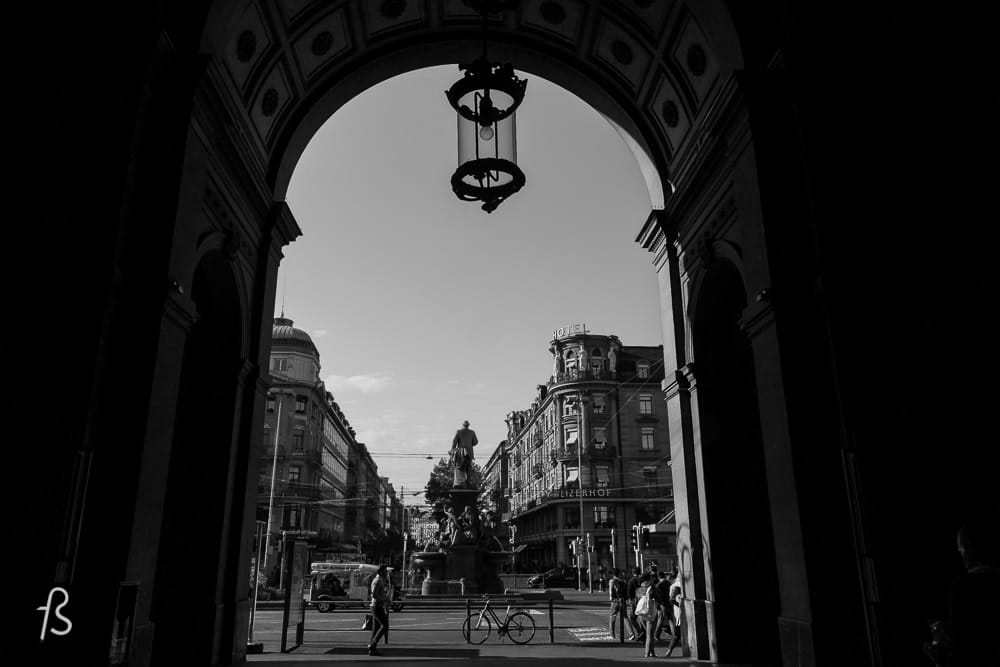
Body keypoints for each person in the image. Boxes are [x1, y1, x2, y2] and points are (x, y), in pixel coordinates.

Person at [925, 518, 1000, 666]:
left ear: (969, 547)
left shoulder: (962, 586)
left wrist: (940, 657)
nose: (960, 553)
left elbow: (962, 647)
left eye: (961, 548)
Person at [635, 573, 662, 657]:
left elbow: (635, 601)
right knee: (650, 634)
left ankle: (652, 652)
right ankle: (647, 653)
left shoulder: (638, 589)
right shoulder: (652, 589)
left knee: (648, 633)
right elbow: (659, 600)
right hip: (651, 613)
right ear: (648, 580)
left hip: (641, 614)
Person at [367, 565, 390, 656]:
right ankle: (372, 645)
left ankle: (372, 649)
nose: (386, 573)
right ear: (380, 572)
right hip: (377, 607)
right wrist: (384, 600)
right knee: (385, 626)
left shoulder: (379, 580)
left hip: (377, 606)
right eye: (385, 571)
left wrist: (385, 598)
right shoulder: (377, 581)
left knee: (376, 628)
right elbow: (374, 594)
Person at [451, 420, 479, 488]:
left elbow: (454, 442)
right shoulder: (472, 432)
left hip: (460, 452)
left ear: (462, 425)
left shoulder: (459, 432)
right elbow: (476, 442)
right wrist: (470, 444)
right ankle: (468, 482)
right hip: (469, 452)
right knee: (468, 468)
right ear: (468, 425)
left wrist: (453, 451)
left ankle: (460, 483)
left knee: (460, 467)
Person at [665, 571, 683, 657]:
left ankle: (669, 651)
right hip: (679, 614)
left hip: (678, 613)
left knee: (677, 635)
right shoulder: (676, 587)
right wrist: (680, 605)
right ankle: (669, 651)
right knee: (677, 635)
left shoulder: (674, 586)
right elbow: (671, 600)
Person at [626, 566, 644, 642]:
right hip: (643, 599)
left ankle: (640, 631)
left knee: (633, 618)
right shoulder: (642, 579)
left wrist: (629, 600)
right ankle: (644, 632)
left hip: (635, 600)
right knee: (642, 617)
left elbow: (629, 592)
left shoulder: (631, 580)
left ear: (633, 572)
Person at [654, 570, 673, 640]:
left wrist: (657, 604)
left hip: (662, 604)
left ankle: (656, 634)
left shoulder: (659, 585)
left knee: (660, 620)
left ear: (659, 577)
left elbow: (657, 596)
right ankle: (674, 634)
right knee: (670, 619)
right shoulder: (669, 583)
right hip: (669, 603)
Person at [608, 568, 627, 638]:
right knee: (625, 617)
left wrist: (611, 598)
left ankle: (612, 634)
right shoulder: (623, 581)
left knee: (613, 616)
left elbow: (611, 591)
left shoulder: (612, 581)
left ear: (613, 574)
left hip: (615, 601)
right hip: (622, 600)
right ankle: (632, 633)